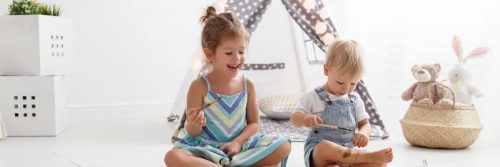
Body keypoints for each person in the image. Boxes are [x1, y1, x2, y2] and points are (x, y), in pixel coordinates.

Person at [164, 6, 291, 167]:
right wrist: (194, 123)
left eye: (242, 51)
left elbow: (254, 124)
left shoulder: (247, 85)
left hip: (240, 147)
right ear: (210, 54)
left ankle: (234, 163)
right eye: (229, 53)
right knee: (173, 157)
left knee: (284, 146)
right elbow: (192, 132)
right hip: (207, 149)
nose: (237, 58)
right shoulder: (199, 86)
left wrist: (237, 143)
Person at [290, 39, 393, 167]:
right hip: (320, 154)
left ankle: (363, 160)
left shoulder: (355, 100)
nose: (346, 89)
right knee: (325, 146)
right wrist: (305, 118)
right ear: (326, 70)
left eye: (353, 83)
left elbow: (365, 124)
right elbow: (294, 119)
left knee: (380, 165)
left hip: (348, 156)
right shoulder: (312, 97)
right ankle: (368, 156)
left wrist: (363, 134)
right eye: (340, 82)